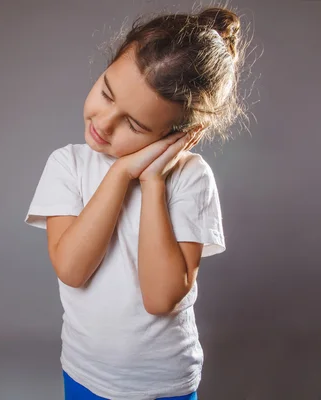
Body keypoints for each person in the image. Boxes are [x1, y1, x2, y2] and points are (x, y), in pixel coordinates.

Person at [25, 6, 246, 399]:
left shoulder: (191, 178)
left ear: (176, 134)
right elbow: (72, 269)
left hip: (167, 385)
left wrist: (153, 181)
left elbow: (160, 297)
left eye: (134, 124)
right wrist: (119, 175)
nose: (104, 122)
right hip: (85, 376)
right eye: (107, 93)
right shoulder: (68, 165)